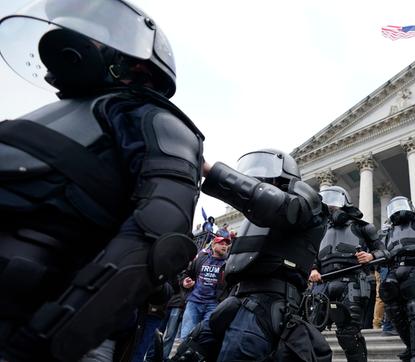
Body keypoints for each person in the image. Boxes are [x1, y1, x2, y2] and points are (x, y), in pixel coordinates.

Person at [0, 1, 203, 360]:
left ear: (137, 61)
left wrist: (55, 336)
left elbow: (158, 234)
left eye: (95, 31)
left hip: (43, 321)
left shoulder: (152, 120)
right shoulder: (44, 116)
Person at [173, 149, 331, 361]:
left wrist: (210, 171)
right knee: (188, 353)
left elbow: (272, 202)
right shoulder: (257, 218)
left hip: (267, 305)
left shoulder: (308, 205)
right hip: (234, 301)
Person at [308, 186, 388, 362]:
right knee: (310, 331)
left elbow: (385, 252)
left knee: (349, 334)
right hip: (323, 285)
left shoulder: (363, 227)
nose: (331, 206)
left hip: (351, 282)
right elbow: (313, 256)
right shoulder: (320, 231)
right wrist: (313, 269)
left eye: (334, 201)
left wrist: (371, 256)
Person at [380, 196, 415, 362]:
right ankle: (411, 347)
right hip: (394, 269)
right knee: (392, 310)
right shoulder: (388, 231)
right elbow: (381, 250)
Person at [178, 236, 229, 342]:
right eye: (221, 243)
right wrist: (185, 282)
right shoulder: (201, 258)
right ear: (214, 245)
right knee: (186, 337)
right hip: (194, 302)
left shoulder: (228, 263)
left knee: (204, 338)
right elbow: (187, 274)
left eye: (226, 244)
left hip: (213, 305)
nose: (225, 246)